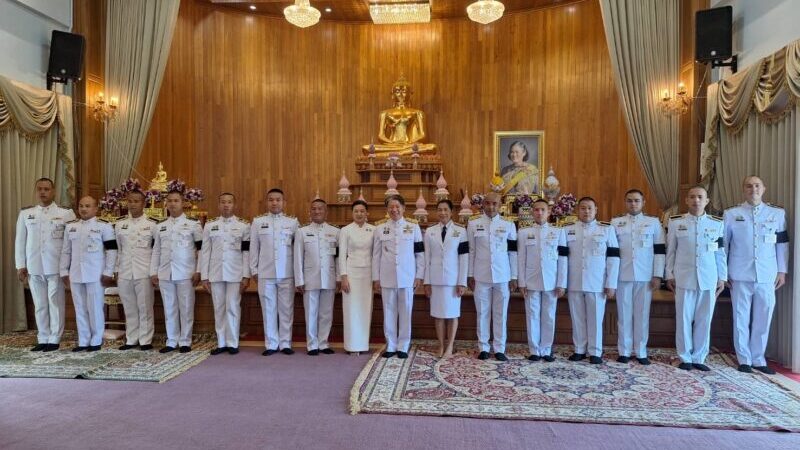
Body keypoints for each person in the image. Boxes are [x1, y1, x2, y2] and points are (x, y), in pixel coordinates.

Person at [723, 176, 788, 374]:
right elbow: (723, 245)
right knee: (740, 317)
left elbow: (782, 244)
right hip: (739, 274)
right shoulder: (732, 214)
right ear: (743, 189)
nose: (753, 189)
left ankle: (758, 358)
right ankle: (744, 358)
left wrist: (782, 270)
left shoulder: (776, 214)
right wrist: (724, 273)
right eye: (749, 186)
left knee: (764, 316)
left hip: (767, 275)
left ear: (764, 189)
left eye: (757, 185)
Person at [665, 186, 727, 371]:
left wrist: (722, 277)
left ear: (707, 201)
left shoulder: (717, 224)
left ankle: (699, 357)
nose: (696, 200)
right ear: (686, 200)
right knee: (683, 319)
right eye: (692, 197)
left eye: (700, 197)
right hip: (684, 277)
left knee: (704, 319)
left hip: (708, 277)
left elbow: (720, 253)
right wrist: (669, 274)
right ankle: (685, 357)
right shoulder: (676, 222)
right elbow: (671, 251)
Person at [15, 177, 76, 352]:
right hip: (34, 266)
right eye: (40, 189)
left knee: (55, 302)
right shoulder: (26, 214)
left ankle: (54, 337)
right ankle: (42, 337)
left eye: (46, 189)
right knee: (40, 303)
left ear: (54, 191)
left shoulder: (65, 213)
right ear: (36, 191)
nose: (43, 192)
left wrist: (68, 267)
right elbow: (20, 241)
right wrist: (20, 264)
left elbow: (72, 242)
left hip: (55, 266)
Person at [610, 189, 665, 365]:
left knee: (642, 314)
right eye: (629, 201)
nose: (633, 204)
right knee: (624, 315)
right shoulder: (616, 223)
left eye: (636, 200)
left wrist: (657, 275)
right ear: (625, 203)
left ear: (643, 202)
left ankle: (641, 351)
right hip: (622, 275)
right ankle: (624, 351)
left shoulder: (653, 222)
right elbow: (611, 251)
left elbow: (659, 251)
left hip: (645, 275)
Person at [564, 197, 620, 364]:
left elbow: (614, 258)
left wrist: (611, 283)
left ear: (596, 210)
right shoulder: (567, 230)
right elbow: (562, 258)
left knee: (595, 317)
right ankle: (579, 349)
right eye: (582, 208)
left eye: (589, 208)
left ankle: (595, 351)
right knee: (577, 317)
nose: (586, 211)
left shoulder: (606, 229)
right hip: (574, 281)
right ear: (577, 210)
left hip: (597, 282)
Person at [59, 196, 117, 352]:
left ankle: (96, 340)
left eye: (88, 206)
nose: (83, 209)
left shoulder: (104, 226)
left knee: (95, 307)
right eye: (81, 205)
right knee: (80, 308)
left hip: (95, 274)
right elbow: (65, 251)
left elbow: (112, 251)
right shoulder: (71, 227)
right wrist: (64, 271)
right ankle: (83, 340)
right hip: (76, 274)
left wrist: (108, 271)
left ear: (96, 208)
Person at [467, 192, 518, 362]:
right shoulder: (473, 224)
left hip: (502, 275)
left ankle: (499, 348)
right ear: (483, 204)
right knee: (482, 312)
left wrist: (514, 276)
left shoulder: (509, 225)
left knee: (500, 313)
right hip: (481, 275)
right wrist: (470, 274)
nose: (491, 207)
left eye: (494, 204)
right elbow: (471, 251)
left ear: (500, 205)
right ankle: (483, 347)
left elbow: (513, 253)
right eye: (488, 203)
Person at [372, 195, 424, 359]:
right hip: (386, 276)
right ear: (387, 210)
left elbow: (419, 253)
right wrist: (376, 278)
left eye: (397, 206)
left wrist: (419, 275)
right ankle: (391, 345)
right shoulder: (380, 228)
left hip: (407, 277)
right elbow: (376, 255)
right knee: (389, 311)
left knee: (406, 311)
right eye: (391, 207)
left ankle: (403, 345)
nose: (394, 210)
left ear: (403, 208)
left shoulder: (413, 227)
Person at [150, 190, 203, 353]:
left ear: (183, 203)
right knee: (169, 308)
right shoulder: (160, 226)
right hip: (166, 272)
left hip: (186, 273)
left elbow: (201, 250)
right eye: (170, 201)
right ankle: (171, 340)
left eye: (176, 201)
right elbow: (156, 250)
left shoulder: (193, 224)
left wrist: (199, 271)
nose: (172, 204)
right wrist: (153, 272)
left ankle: (185, 341)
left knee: (186, 307)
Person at [250, 188, 299, 356]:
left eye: (278, 199)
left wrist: (297, 273)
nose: (274, 202)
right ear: (267, 202)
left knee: (286, 309)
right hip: (266, 272)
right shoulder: (257, 222)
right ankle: (271, 343)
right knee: (268, 309)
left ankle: (285, 343)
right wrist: (254, 269)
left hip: (287, 272)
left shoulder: (292, 222)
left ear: (283, 202)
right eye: (271, 199)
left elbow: (297, 249)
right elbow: (253, 247)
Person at [200, 193, 250, 356]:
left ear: (234, 205)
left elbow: (246, 252)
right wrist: (204, 276)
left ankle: (232, 342)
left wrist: (246, 276)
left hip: (235, 274)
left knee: (233, 307)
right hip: (216, 273)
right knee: (219, 308)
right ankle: (221, 342)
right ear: (218, 205)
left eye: (229, 202)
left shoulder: (244, 226)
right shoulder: (210, 226)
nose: (226, 205)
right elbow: (205, 252)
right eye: (223, 202)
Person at [517, 199, 567, 362]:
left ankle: (546, 349)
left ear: (549, 212)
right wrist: (521, 282)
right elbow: (521, 259)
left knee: (549, 315)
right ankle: (534, 350)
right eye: (536, 210)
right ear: (532, 212)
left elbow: (563, 260)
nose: (539, 213)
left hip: (551, 281)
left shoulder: (558, 232)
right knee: (532, 315)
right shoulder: (524, 233)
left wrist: (561, 283)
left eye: (542, 210)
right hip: (531, 280)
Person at [114, 190, 159, 351]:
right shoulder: (119, 224)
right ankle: (131, 339)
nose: (132, 204)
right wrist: (117, 269)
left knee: (145, 306)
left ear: (144, 203)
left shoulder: (152, 225)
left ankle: (145, 339)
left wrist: (154, 271)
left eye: (136, 201)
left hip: (144, 271)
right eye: (130, 201)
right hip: (125, 271)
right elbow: (119, 250)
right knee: (129, 307)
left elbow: (156, 250)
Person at [423, 199, 468, 358]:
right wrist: (426, 281)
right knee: (438, 314)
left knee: (452, 314)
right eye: (440, 210)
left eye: (445, 210)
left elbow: (464, 258)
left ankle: (450, 346)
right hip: (435, 280)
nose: (442, 213)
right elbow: (426, 258)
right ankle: (441, 345)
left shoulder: (461, 231)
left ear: (451, 212)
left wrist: (462, 281)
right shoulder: (430, 231)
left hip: (453, 280)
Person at [294, 199, 340, 356]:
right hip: (309, 278)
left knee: (326, 313)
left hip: (329, 277)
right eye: (314, 209)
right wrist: (299, 279)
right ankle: (312, 344)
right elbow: (298, 258)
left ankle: (323, 343)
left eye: (320, 209)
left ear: (326, 212)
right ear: (310, 212)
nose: (317, 211)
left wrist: (339, 277)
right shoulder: (302, 231)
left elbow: (338, 257)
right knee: (311, 312)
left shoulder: (335, 232)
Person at [338, 200, 375, 354]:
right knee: (351, 310)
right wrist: (343, 277)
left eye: (362, 211)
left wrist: (376, 277)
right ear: (352, 213)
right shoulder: (345, 230)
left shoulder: (374, 230)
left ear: (367, 213)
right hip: (351, 274)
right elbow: (341, 256)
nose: (359, 214)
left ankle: (363, 345)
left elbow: (376, 254)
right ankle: (352, 346)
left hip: (368, 275)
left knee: (365, 309)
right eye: (356, 211)